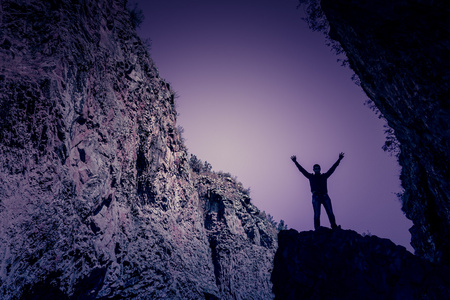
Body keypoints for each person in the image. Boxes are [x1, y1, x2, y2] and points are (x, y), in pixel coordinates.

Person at [290, 153, 344, 230]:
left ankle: (334, 227)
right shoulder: (311, 176)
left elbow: (332, 169)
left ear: (319, 169)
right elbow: (302, 170)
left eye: (318, 168)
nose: (317, 169)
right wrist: (295, 162)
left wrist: (339, 159)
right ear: (314, 170)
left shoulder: (324, 176)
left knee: (330, 212)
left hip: (325, 196)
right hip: (316, 197)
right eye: (315, 168)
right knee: (317, 214)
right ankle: (317, 229)